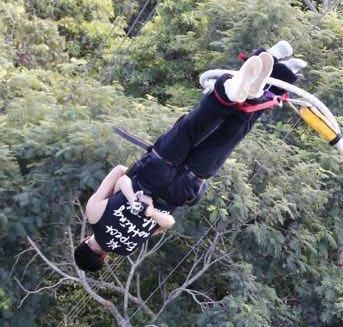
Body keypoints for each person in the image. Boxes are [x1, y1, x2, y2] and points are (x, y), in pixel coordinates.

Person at [74, 41, 305, 272]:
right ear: (85, 241)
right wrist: (134, 197)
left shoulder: (128, 248)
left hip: (181, 190)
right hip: (153, 174)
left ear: (103, 258)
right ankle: (244, 81)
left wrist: (150, 211)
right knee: (194, 125)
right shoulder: (93, 214)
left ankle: (277, 78)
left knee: (228, 137)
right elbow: (119, 172)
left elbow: (166, 223)